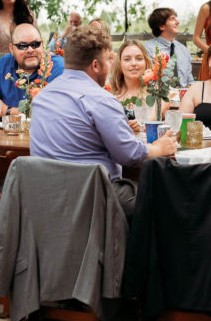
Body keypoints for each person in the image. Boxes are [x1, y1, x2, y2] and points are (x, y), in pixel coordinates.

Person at [30, 25, 178, 218]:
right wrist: (159, 148)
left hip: (47, 197)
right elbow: (129, 154)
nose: (110, 66)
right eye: (108, 60)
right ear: (95, 65)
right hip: (94, 197)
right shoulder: (101, 99)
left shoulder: (42, 97)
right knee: (167, 204)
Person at [0, 24, 64, 120]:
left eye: (35, 44)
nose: (30, 50)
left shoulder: (57, 67)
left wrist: (7, 111)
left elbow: (57, 111)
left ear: (42, 44)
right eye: (22, 46)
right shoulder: (2, 65)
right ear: (11, 49)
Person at [108, 40, 152, 131]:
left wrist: (145, 122)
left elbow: (165, 101)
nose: (134, 63)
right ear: (120, 64)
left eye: (139, 58)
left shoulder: (154, 90)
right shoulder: (110, 94)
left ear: (146, 62)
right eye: (127, 59)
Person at [144, 7, 194, 87]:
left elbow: (190, 81)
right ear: (162, 26)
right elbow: (147, 81)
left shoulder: (183, 50)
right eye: (172, 19)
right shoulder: (147, 49)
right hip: (159, 96)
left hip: (184, 96)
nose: (177, 22)